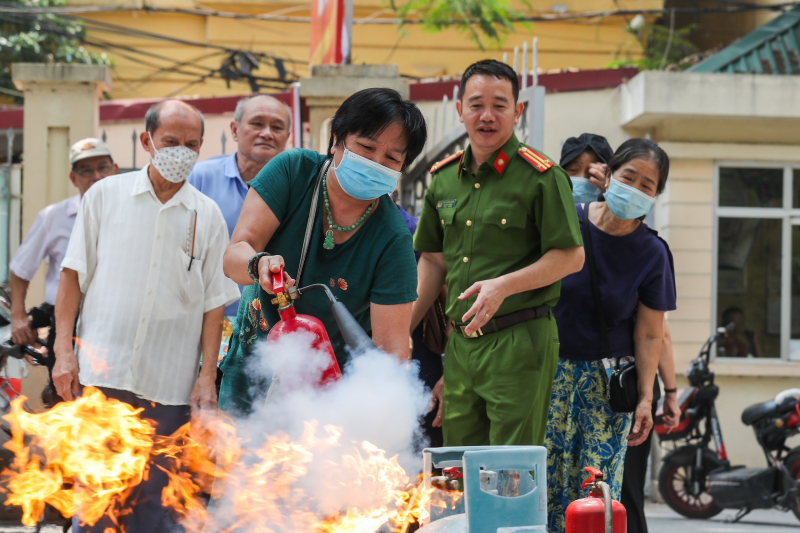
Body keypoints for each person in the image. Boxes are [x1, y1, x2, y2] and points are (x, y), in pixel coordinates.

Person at [52, 100, 240, 533]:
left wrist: (206, 378)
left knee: (161, 511)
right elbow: (72, 278)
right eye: (171, 142)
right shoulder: (104, 196)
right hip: (103, 376)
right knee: (100, 506)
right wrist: (64, 353)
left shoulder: (207, 215)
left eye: (191, 145)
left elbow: (215, 304)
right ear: (147, 141)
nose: (181, 152)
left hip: (170, 389)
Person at [218, 87, 426, 415]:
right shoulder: (293, 171)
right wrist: (259, 264)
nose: (375, 163)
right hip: (252, 370)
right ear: (336, 142)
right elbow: (233, 257)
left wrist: (385, 415)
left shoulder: (393, 239)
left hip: (329, 398)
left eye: (391, 158)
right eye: (366, 147)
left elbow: (391, 353)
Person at [411, 59, 585, 448]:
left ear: (517, 111)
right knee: (457, 465)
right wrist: (401, 329)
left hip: (519, 339)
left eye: (499, 105)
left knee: (510, 470)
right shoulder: (442, 179)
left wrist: (504, 286)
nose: (486, 116)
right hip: (460, 344)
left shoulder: (542, 176)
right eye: (476, 104)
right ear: (460, 110)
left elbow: (571, 257)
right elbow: (434, 262)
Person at [545, 138, 676, 533]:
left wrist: (648, 398)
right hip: (548, 377)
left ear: (656, 195)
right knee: (545, 486)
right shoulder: (568, 221)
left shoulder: (652, 252)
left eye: (647, 185)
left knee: (597, 495)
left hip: (607, 389)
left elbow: (652, 334)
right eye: (628, 177)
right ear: (608, 176)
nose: (635, 189)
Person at [8, 138, 117, 401]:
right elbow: (21, 270)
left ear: (115, 170)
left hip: (115, 325)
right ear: (73, 177)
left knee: (113, 407)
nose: (96, 176)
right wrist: (19, 317)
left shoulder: (133, 215)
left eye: (102, 167)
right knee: (66, 402)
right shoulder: (53, 217)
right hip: (66, 326)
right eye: (86, 171)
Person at [188, 95, 292, 363]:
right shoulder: (200, 178)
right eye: (257, 123)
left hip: (274, 322)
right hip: (206, 318)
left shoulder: (299, 189)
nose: (267, 133)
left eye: (277, 127)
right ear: (234, 130)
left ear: (288, 136)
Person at [620, 318, 680, 533]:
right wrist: (671, 394)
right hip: (630, 391)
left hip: (585, 384)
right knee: (629, 485)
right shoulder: (641, 284)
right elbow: (659, 335)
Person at [559, 133, 614, 204]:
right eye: (573, 170)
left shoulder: (615, 210)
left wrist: (609, 193)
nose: (582, 178)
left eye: (591, 173)